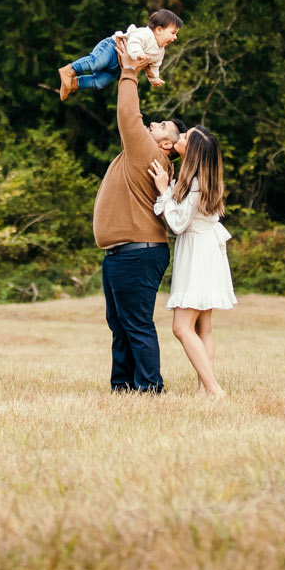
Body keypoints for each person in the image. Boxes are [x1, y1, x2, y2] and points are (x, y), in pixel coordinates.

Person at [90, 32, 184, 392]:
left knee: (136, 322)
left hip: (137, 252)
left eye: (160, 126)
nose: (152, 124)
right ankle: (123, 386)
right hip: (123, 253)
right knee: (121, 322)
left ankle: (149, 387)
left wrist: (129, 72)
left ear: (164, 144)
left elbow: (129, 114)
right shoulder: (140, 155)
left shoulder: (152, 154)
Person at [149, 125, 234, 398]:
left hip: (199, 257)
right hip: (206, 253)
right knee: (203, 326)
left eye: (185, 137)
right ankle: (204, 390)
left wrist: (163, 190)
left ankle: (214, 389)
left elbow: (177, 223)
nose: (181, 137)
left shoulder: (195, 184)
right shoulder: (201, 179)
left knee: (181, 327)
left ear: (193, 150)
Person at [58, 9, 182, 101]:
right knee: (95, 62)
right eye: (173, 33)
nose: (175, 37)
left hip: (119, 67)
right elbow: (134, 42)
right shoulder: (145, 34)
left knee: (100, 82)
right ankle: (69, 70)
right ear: (159, 30)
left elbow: (153, 66)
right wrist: (138, 54)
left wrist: (154, 78)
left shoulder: (160, 52)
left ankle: (74, 84)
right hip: (112, 48)